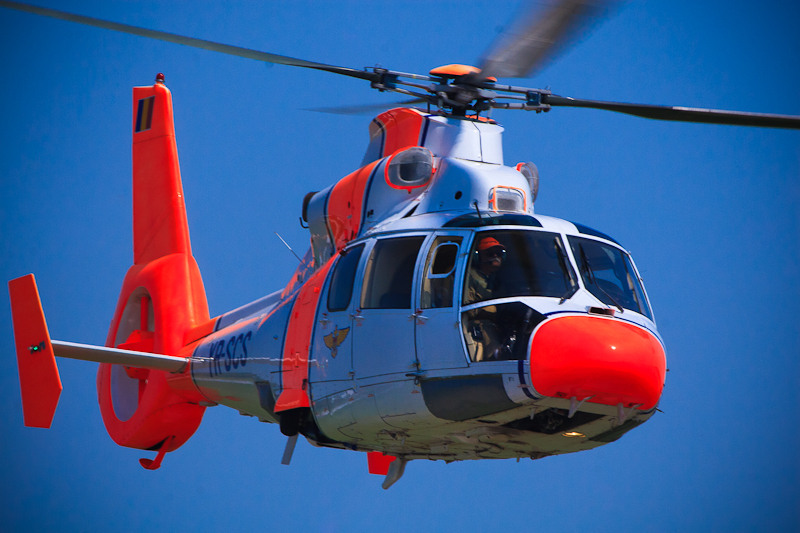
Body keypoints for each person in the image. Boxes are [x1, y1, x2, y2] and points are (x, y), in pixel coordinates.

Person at [464, 236, 507, 361]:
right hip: (482, 324)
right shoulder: (469, 277)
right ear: (478, 257)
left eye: (498, 253)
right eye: (489, 253)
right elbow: (469, 309)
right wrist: (493, 312)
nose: (495, 256)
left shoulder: (501, 278)